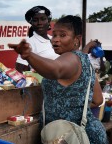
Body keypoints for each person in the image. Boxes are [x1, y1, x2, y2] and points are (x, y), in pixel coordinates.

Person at [8, 15, 108, 144]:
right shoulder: (84, 61)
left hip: (71, 137)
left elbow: (56, 70)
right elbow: (98, 100)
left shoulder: (70, 58)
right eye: (54, 35)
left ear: (77, 39)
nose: (55, 40)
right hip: (87, 134)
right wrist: (73, 106)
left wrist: (28, 55)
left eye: (62, 35)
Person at [15, 5, 59, 73]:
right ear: (31, 23)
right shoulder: (28, 43)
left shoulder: (52, 39)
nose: (39, 23)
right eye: (35, 20)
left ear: (48, 20)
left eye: (43, 19)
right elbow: (19, 70)